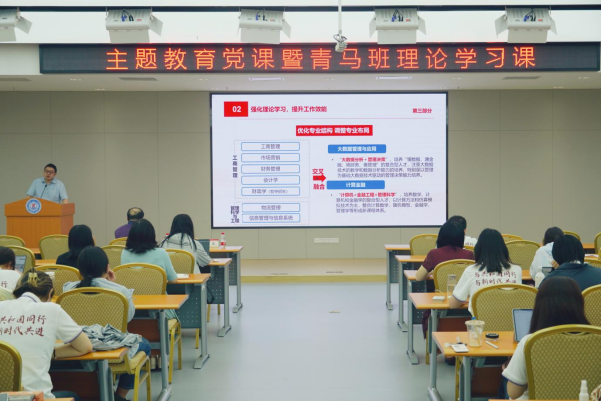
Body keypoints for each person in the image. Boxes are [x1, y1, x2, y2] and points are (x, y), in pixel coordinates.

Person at [63, 247, 151, 401]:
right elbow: (128, 317)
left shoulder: (68, 290)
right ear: (107, 267)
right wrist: (111, 284)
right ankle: (119, 396)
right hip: (114, 351)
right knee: (144, 344)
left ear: (80, 269)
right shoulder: (119, 292)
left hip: (79, 350)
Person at [0, 270, 92, 400]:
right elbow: (85, 347)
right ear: (50, 293)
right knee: (73, 396)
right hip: (37, 397)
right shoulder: (52, 310)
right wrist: (52, 353)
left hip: (3, 397)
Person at [502, 277, 591, 400]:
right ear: (579, 304)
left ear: (540, 306)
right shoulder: (597, 340)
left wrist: (511, 368)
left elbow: (513, 392)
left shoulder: (530, 342)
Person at [415, 220, 475, 336]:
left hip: (440, 306)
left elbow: (418, 277)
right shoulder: (469, 255)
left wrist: (432, 272)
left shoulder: (434, 254)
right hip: (465, 306)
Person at [449, 228, 523, 314]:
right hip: (510, 322)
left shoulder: (470, 271)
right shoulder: (517, 270)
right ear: (503, 248)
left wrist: (471, 298)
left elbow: (453, 305)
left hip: (480, 322)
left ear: (478, 248)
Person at [121, 219, 177, 284]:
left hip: (131, 290)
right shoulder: (161, 253)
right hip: (156, 291)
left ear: (131, 236)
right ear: (151, 235)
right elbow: (173, 280)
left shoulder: (124, 253)